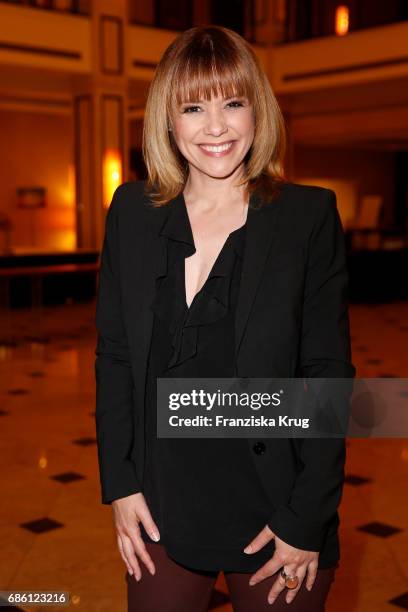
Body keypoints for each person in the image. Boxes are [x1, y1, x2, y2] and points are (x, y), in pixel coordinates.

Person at [94, 25, 356, 611]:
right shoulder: (131, 215)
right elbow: (115, 356)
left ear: (257, 111)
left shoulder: (306, 217)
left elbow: (326, 375)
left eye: (233, 103)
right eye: (193, 107)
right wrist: (121, 483)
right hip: (160, 507)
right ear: (169, 119)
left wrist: (306, 518)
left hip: (276, 508)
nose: (216, 127)